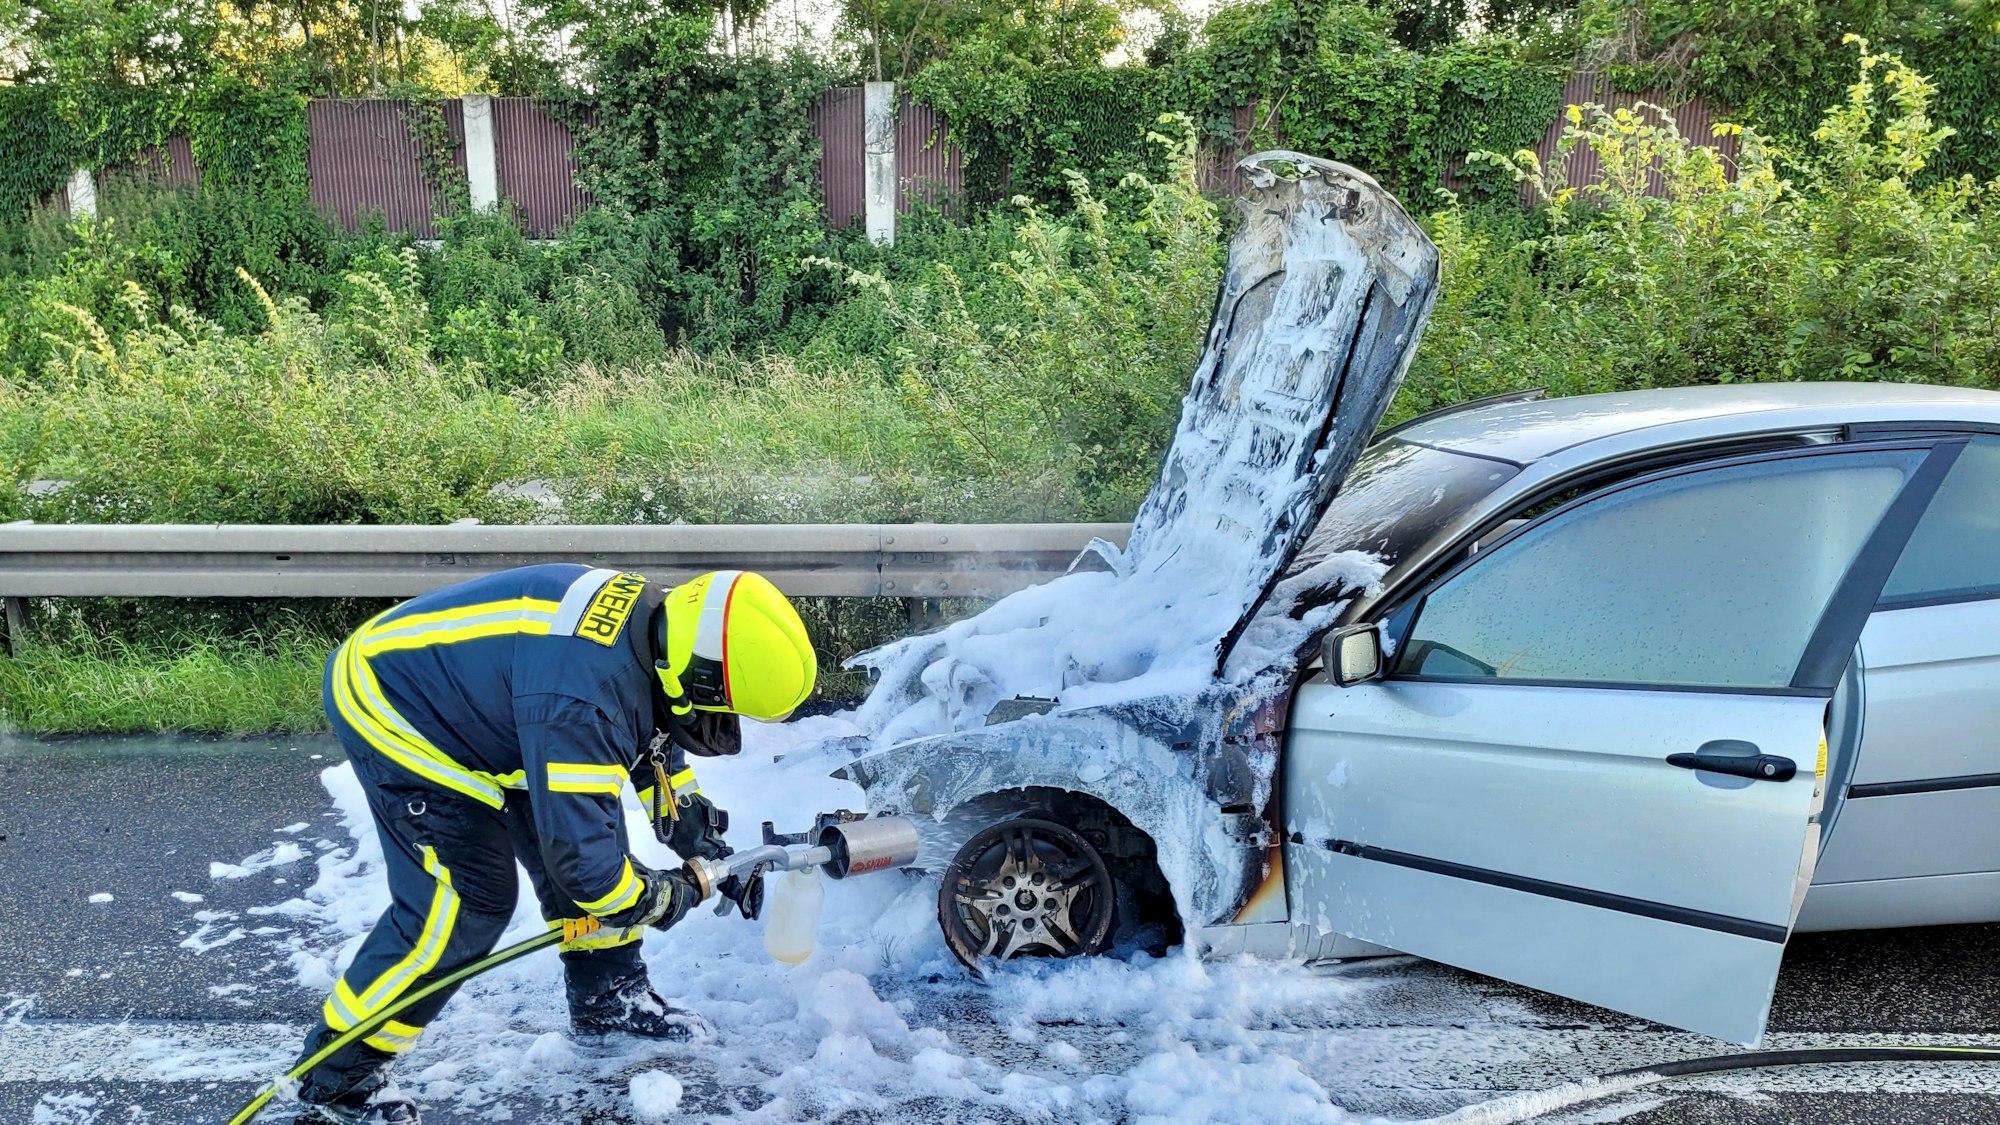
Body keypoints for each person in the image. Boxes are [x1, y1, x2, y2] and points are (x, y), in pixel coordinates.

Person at [290, 565, 816, 1124]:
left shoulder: (661, 635)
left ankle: (608, 1000)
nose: (725, 721)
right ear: (699, 674)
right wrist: (668, 896)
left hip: (506, 704)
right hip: (400, 706)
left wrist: (695, 830)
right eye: (725, 705)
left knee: (588, 832)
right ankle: (337, 1076)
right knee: (470, 903)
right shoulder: (583, 697)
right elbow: (590, 874)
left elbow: (650, 737)